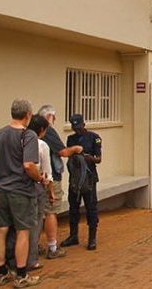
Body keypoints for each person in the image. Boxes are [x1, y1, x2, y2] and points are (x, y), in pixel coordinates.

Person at [0, 99, 43, 288]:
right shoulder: (28, 136)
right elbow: (28, 165)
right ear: (28, 115)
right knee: (22, 231)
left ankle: (1, 272)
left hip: (0, 190)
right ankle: (21, 274)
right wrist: (38, 178)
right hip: (20, 190)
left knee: (0, 230)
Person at [37, 105, 82, 259]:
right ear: (49, 117)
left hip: (34, 178)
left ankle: (33, 247)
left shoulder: (29, 131)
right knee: (51, 211)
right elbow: (62, 152)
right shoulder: (47, 131)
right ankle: (52, 247)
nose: (55, 120)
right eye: (53, 117)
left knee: (36, 213)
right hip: (49, 177)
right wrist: (75, 149)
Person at [61, 114, 101, 251]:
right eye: (74, 127)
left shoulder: (94, 138)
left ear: (84, 124)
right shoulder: (71, 139)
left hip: (89, 178)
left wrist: (87, 157)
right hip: (75, 178)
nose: (77, 130)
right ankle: (73, 235)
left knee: (91, 208)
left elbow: (99, 159)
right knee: (73, 207)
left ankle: (92, 238)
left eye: (79, 127)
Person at [26, 115, 53, 271]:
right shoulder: (41, 145)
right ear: (42, 130)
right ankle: (32, 259)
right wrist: (50, 191)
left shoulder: (19, 140)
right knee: (35, 224)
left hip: (18, 187)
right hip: (36, 185)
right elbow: (47, 172)